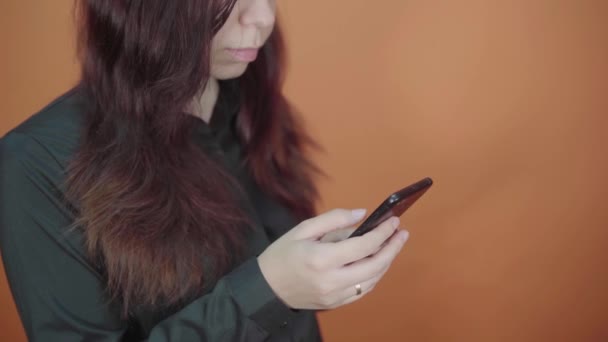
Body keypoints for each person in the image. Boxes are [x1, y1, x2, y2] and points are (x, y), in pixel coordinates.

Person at [0, 0, 410, 340]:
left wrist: (318, 269)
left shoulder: (251, 108)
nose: (263, 17)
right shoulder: (38, 160)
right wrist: (269, 292)